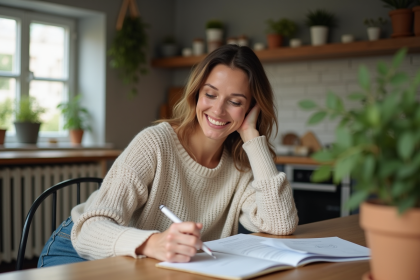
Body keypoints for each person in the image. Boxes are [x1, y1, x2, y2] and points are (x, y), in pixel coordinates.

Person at [38, 44, 298, 268]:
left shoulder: (242, 163)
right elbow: (88, 231)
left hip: (146, 264)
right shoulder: (155, 143)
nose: (218, 110)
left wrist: (252, 138)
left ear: (252, 107)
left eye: (236, 101)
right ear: (197, 93)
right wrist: (153, 243)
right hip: (76, 250)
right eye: (210, 94)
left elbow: (280, 224)